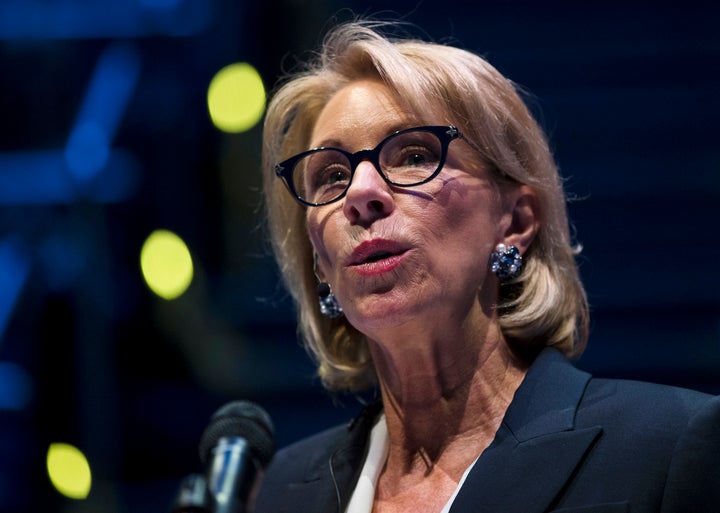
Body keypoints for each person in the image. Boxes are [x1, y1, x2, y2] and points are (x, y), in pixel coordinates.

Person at [252, 21, 720, 513]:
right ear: (319, 263)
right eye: (331, 176)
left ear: (514, 221)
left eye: (413, 155)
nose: (361, 194)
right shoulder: (278, 493)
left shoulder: (666, 450)